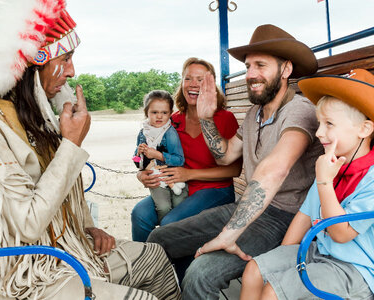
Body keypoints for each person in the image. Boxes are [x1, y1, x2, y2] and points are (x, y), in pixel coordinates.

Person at [0, 1, 180, 299]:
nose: (72, 71)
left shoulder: (36, 114)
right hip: (23, 275)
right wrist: (70, 144)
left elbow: (64, 191)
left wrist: (86, 226)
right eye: (66, 57)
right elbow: (27, 225)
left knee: (156, 259)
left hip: (65, 250)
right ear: (34, 60)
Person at [147, 24, 323, 299]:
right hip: (246, 207)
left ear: (286, 69)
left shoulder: (300, 112)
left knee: (200, 274)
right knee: (159, 239)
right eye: (248, 65)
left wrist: (229, 234)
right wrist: (206, 119)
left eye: (260, 65)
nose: (250, 74)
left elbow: (276, 169)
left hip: (284, 219)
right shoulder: (255, 113)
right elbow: (226, 154)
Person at [240, 69, 374, 300]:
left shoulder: (368, 177)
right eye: (320, 123)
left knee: (275, 292)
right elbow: (304, 215)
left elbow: (341, 233)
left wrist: (324, 180)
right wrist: (282, 259)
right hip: (320, 252)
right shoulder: (332, 165)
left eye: (329, 123)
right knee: (255, 271)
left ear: (364, 129)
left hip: (355, 270)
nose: (319, 132)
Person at [132, 57, 242, 244]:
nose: (193, 85)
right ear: (181, 82)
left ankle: (169, 268)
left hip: (215, 189)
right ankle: (146, 267)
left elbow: (234, 170)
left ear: (211, 86)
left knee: (170, 223)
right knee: (140, 214)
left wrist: (188, 174)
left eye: (201, 80)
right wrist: (142, 175)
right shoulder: (171, 121)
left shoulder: (225, 118)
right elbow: (150, 155)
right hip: (180, 187)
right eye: (188, 78)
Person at [133, 90, 188, 222]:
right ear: (147, 112)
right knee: (163, 207)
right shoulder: (143, 133)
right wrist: (138, 154)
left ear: (170, 113)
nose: (159, 117)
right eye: (154, 112)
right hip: (156, 178)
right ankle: (165, 233)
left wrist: (157, 155)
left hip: (174, 177)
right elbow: (137, 163)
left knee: (179, 206)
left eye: (164, 113)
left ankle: (176, 233)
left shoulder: (170, 133)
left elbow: (179, 160)